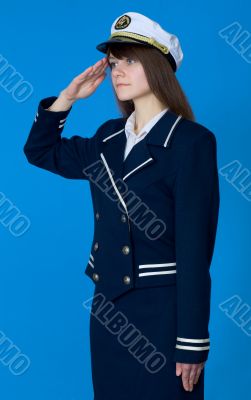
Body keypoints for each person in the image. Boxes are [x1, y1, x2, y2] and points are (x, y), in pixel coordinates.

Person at [23, 11, 220, 400]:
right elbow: (40, 152)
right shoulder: (108, 138)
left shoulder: (192, 142)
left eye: (130, 60)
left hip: (163, 314)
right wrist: (68, 98)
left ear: (159, 67)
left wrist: (192, 341)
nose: (118, 72)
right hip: (109, 308)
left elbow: (196, 252)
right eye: (114, 63)